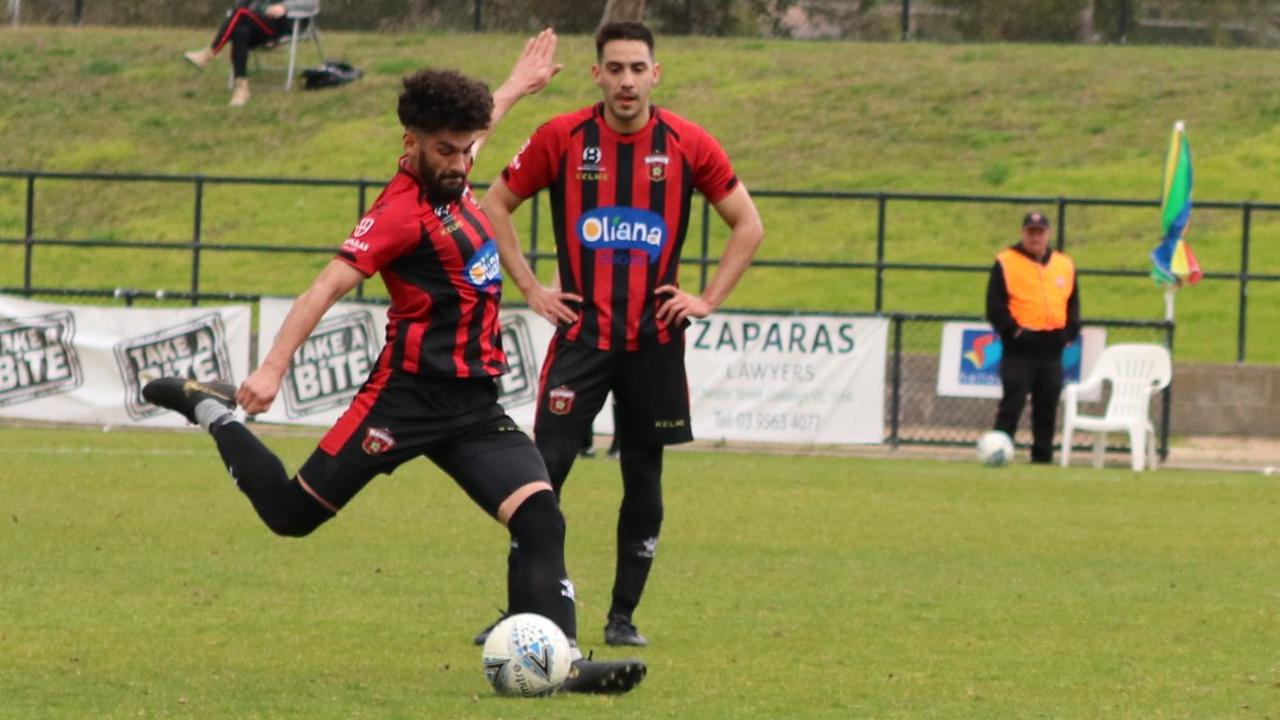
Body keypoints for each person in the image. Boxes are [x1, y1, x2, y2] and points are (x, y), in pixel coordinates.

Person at [143, 31, 646, 694]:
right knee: (291, 516)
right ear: (411, 143)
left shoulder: (455, 160)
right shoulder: (397, 215)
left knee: (539, 514)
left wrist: (517, 86)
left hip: (472, 406)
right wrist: (270, 369)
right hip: (402, 401)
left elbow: (475, 126)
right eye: (447, 150)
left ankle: (559, 662)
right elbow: (324, 287)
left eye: (469, 148)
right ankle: (210, 409)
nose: (463, 161)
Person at [479, 21, 764, 647]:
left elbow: (748, 224)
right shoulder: (562, 137)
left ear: (655, 74)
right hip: (581, 340)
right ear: (598, 75)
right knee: (540, 475)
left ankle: (621, 619)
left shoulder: (690, 143)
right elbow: (493, 203)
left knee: (643, 476)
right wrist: (531, 288)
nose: (627, 81)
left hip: (654, 344)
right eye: (616, 69)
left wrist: (708, 299)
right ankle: (521, 614)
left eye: (638, 68)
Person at [985, 211, 1081, 464]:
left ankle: (1042, 457)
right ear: (1023, 233)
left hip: (1051, 347)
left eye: (1040, 233)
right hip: (1020, 347)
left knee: (1047, 406)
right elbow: (995, 306)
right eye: (1030, 232)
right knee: (1012, 404)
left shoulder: (1064, 264)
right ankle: (998, 452)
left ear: (1048, 234)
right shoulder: (1007, 261)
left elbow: (1072, 303)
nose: (1035, 238)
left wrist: (1069, 333)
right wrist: (1014, 331)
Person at [182, 0, 319, 107]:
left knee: (240, 13)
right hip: (257, 21)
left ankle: (208, 54)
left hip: (281, 24)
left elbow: (312, 2)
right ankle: (241, 89)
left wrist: (285, 6)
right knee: (240, 32)